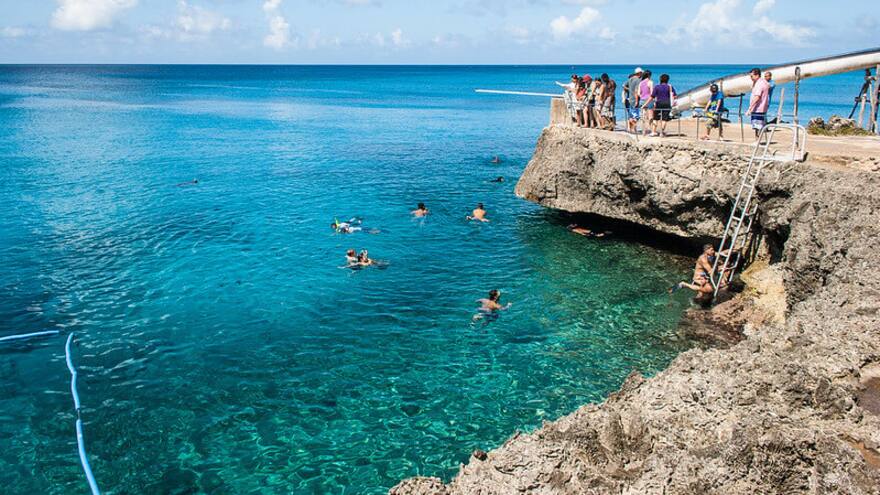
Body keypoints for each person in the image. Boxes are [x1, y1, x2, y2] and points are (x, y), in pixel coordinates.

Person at [747, 68, 771, 139]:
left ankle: (757, 140)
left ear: (757, 75)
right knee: (758, 125)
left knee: (757, 125)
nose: (751, 78)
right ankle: (757, 140)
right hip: (762, 107)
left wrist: (750, 108)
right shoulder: (763, 82)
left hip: (758, 108)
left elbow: (757, 97)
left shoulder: (760, 84)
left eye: (752, 76)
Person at [624, 67, 644, 133]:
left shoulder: (630, 79)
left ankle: (630, 129)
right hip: (635, 99)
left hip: (629, 98)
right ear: (639, 73)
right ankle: (634, 129)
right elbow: (636, 91)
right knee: (636, 116)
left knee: (631, 115)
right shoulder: (638, 80)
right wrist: (637, 101)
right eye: (641, 73)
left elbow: (623, 86)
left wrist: (629, 90)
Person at [638, 70, 654, 136]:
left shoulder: (641, 83)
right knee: (651, 116)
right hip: (649, 100)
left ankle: (644, 131)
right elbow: (652, 93)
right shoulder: (650, 82)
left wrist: (643, 96)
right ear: (649, 75)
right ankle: (651, 130)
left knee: (644, 117)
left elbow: (638, 93)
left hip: (642, 100)